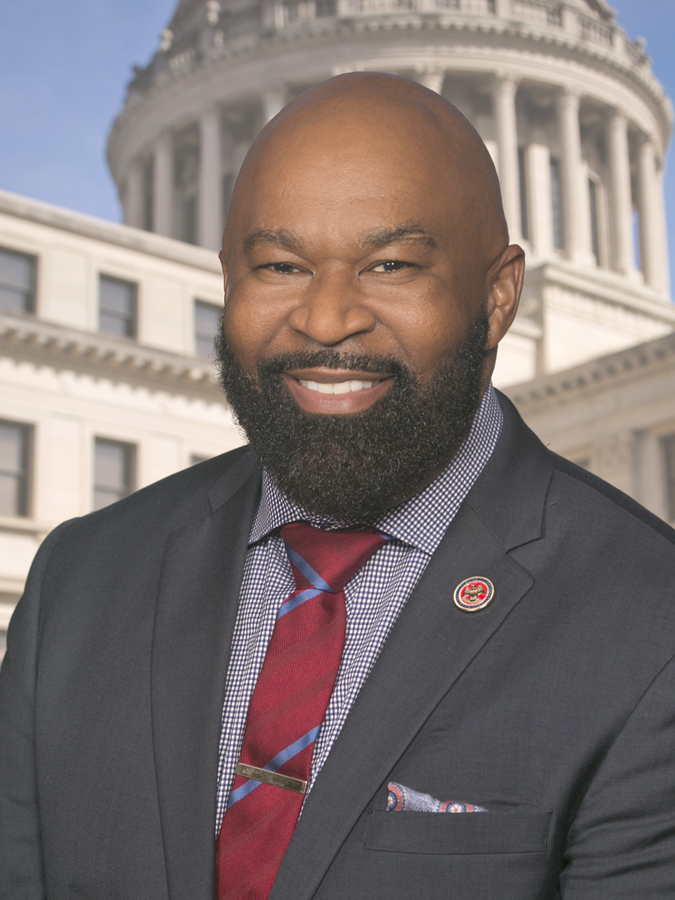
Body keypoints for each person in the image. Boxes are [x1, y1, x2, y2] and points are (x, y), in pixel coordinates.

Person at [2, 72, 675, 900]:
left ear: (498, 296)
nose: (325, 321)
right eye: (279, 265)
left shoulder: (652, 621)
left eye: (390, 264)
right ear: (225, 278)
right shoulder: (81, 580)